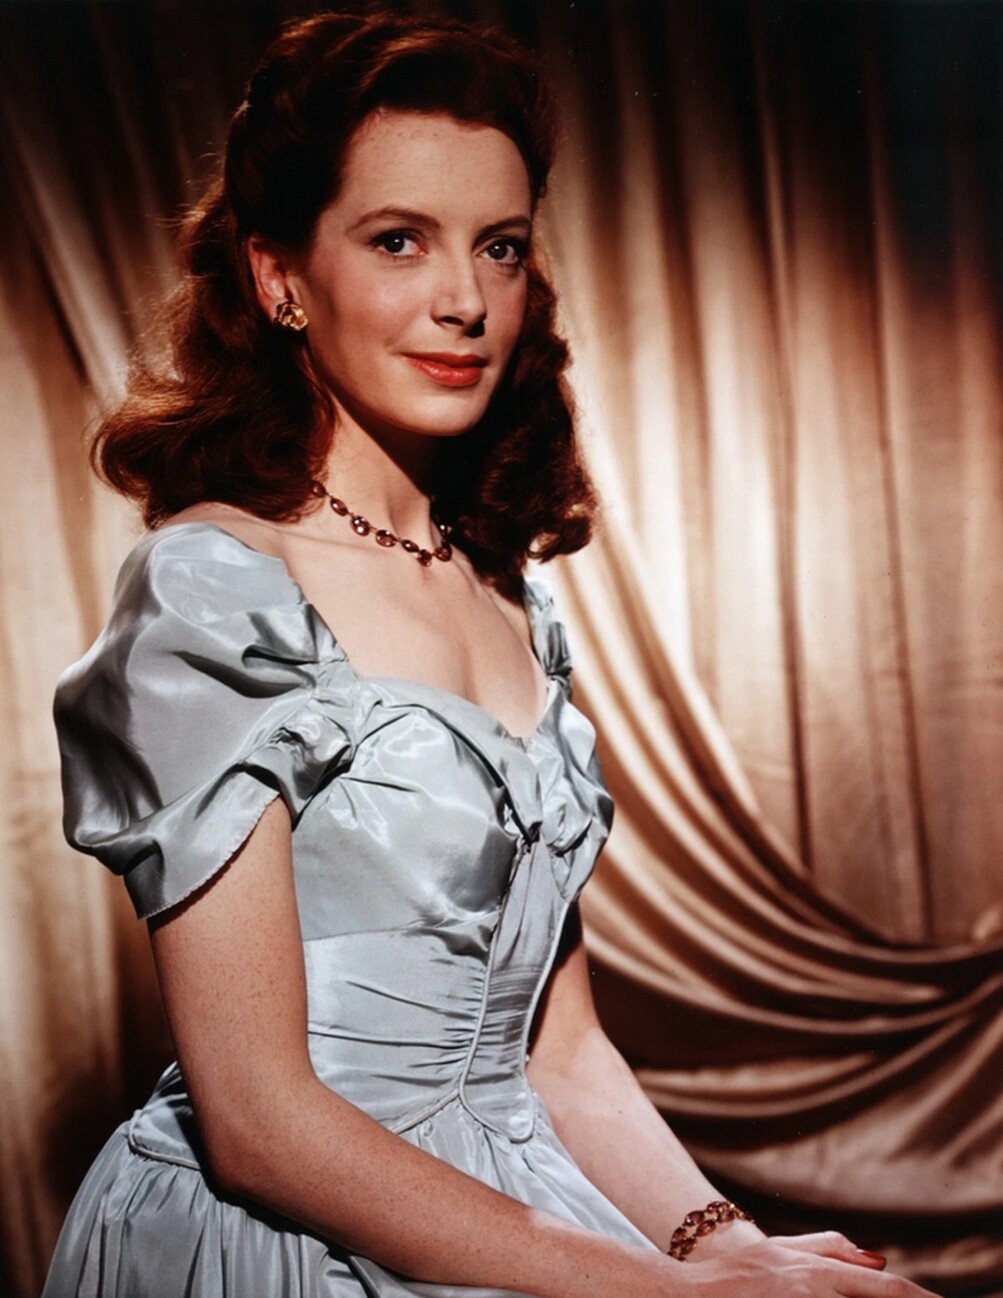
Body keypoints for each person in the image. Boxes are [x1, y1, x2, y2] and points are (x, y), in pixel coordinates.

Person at [43, 12, 939, 1298]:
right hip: (279, 1237)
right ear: (278, 276)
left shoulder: (511, 598)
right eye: (397, 239)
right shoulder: (217, 589)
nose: (465, 299)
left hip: (521, 1211)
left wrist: (722, 1242)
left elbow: (561, 1054)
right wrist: (675, 1293)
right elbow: (258, 1120)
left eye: (499, 245)